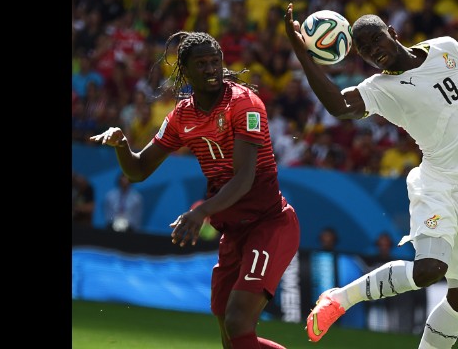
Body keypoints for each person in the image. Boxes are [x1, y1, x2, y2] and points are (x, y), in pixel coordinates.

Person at [284, 4, 458, 348]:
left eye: (377, 41)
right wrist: (305, 56)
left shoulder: (444, 48)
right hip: (436, 184)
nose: (375, 52)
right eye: (365, 51)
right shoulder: (380, 88)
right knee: (428, 270)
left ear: (392, 32)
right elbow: (338, 107)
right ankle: (340, 298)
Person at [89, 30, 300, 349]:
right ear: (184, 70)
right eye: (201, 63)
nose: (211, 68)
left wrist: (200, 212)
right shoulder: (180, 116)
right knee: (231, 338)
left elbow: (244, 178)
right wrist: (122, 144)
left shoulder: (245, 104)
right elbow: (139, 169)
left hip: (269, 225)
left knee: (238, 323)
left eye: (215, 61)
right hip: (233, 234)